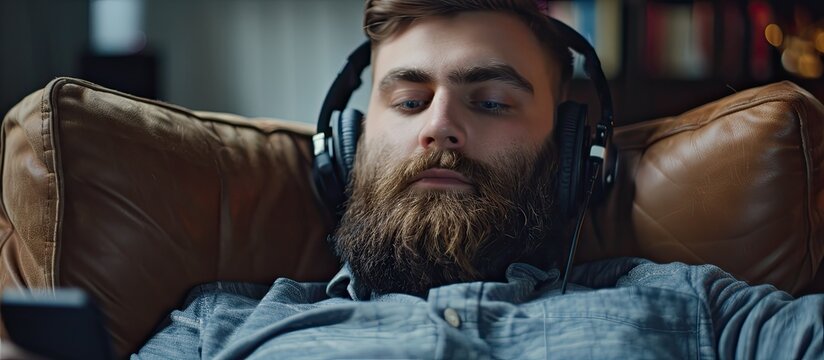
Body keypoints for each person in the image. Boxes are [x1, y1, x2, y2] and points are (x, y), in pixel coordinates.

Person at [134, 1, 823, 358]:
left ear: (572, 154)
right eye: (407, 101)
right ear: (345, 146)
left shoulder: (700, 313)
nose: (440, 126)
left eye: (491, 102)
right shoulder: (213, 330)